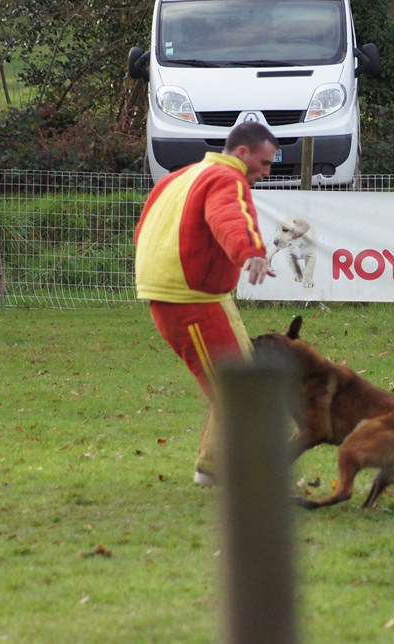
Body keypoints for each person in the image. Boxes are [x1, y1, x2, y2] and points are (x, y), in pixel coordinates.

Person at [134, 121, 279, 486]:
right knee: (238, 388)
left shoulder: (181, 176)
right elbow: (228, 216)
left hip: (191, 293)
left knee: (243, 376)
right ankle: (230, 473)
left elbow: (143, 228)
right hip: (189, 297)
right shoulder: (227, 180)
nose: (267, 171)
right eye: (264, 163)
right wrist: (250, 252)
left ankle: (214, 469)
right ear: (242, 152)